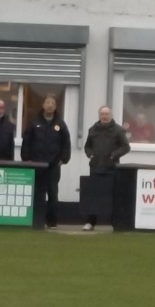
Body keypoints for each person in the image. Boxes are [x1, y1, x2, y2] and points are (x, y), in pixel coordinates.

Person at [20, 95, 71, 229]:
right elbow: (26, 141)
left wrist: (64, 159)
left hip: (53, 165)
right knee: (38, 192)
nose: (49, 105)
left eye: (52, 103)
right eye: (47, 103)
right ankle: (37, 220)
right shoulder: (34, 122)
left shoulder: (60, 124)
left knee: (53, 193)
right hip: (36, 164)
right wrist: (26, 158)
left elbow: (66, 143)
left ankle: (52, 221)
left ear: (55, 106)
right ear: (43, 105)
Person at [83, 106, 131, 231]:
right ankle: (90, 223)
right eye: (102, 114)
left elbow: (126, 147)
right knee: (94, 196)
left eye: (107, 114)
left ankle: (116, 223)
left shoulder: (118, 130)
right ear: (99, 116)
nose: (105, 116)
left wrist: (113, 155)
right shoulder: (92, 130)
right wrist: (90, 154)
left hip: (111, 168)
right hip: (95, 167)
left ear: (111, 115)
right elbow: (87, 146)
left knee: (113, 196)